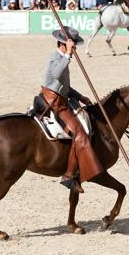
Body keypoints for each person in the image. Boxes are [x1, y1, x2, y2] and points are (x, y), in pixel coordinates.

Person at [40, 26, 103, 193]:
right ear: (63, 44)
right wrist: (67, 54)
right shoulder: (56, 57)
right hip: (54, 102)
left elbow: (64, 86)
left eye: (74, 46)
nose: (74, 49)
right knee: (80, 134)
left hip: (60, 97)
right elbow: (55, 74)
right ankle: (68, 175)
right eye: (72, 46)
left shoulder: (63, 57)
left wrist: (81, 97)